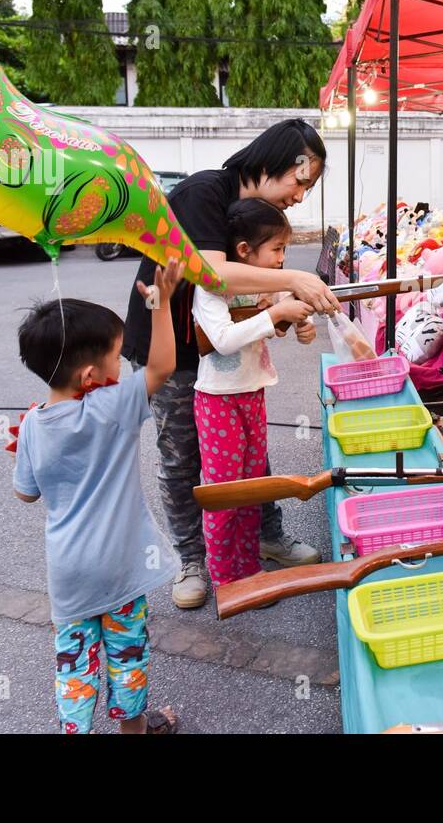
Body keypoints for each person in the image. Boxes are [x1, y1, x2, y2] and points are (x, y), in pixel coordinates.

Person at [121, 119, 338, 609]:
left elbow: (248, 296)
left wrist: (282, 313)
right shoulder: (203, 193)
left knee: (248, 456)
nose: (300, 196)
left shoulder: (253, 214)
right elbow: (214, 272)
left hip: (227, 356)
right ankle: (193, 559)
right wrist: (296, 283)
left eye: (308, 187)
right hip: (170, 348)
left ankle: (266, 535)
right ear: (268, 164)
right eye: (299, 181)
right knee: (183, 458)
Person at [13, 259, 186, 734]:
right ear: (91, 375)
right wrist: (163, 303)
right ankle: (134, 729)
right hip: (119, 568)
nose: (122, 366)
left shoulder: (30, 423)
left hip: (68, 572)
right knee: (126, 652)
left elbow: (26, 494)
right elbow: (163, 366)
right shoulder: (110, 407)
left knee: (74, 663)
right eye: (116, 357)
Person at [192, 199, 316, 593]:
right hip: (218, 400)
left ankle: (248, 568)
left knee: (251, 486)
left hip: (252, 393)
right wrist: (277, 315)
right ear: (245, 251)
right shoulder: (209, 288)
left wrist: (300, 324)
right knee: (226, 491)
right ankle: (227, 577)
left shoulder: (266, 283)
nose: (283, 261)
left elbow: (282, 312)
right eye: (277, 250)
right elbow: (223, 341)